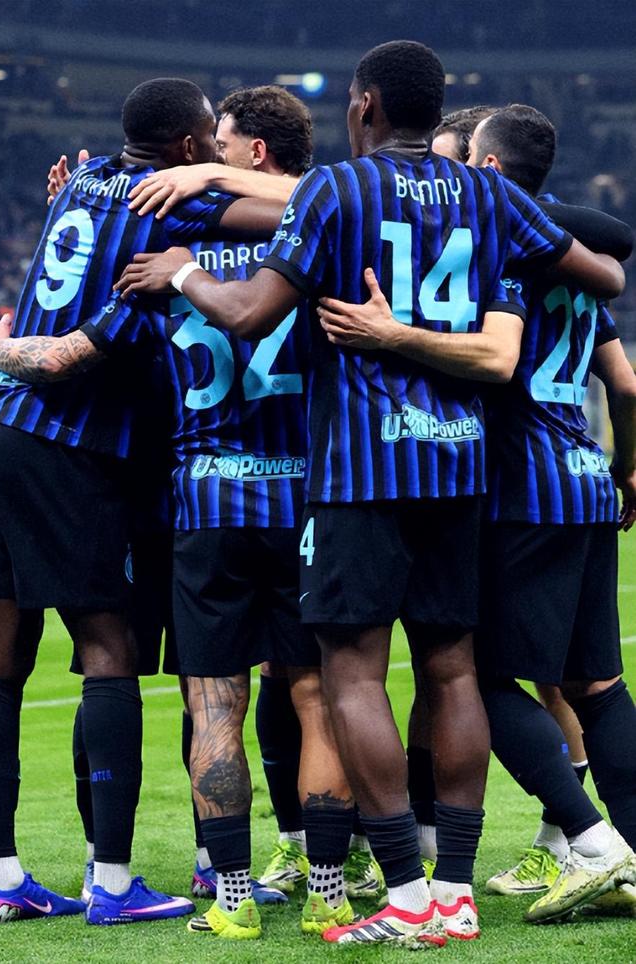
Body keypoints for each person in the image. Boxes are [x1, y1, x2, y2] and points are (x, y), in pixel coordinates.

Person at [110, 39, 625, 948]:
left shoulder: (337, 192)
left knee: (351, 674)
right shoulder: (490, 194)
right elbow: (605, 271)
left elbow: (248, 312)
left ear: (366, 107)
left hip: (359, 473)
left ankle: (405, 891)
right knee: (453, 669)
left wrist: (182, 270)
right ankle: (454, 890)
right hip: (459, 467)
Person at [0, 84, 358, 941]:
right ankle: (294, 882)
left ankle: (30, 873)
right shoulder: (225, 231)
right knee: (271, 683)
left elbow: (83, 327)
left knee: (44, 663)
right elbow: (319, 209)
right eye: (206, 146)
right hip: (241, 483)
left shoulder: (112, 208)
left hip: (99, 463)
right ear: (188, 147)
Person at [312, 102, 636, 924]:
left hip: (520, 487)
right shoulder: (564, 258)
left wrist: (392, 334)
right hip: (586, 480)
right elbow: (626, 382)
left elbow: (496, 355)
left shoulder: (505, 252)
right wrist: (627, 467)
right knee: (597, 686)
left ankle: (588, 837)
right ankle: (606, 848)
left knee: (473, 677)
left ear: (487, 172)